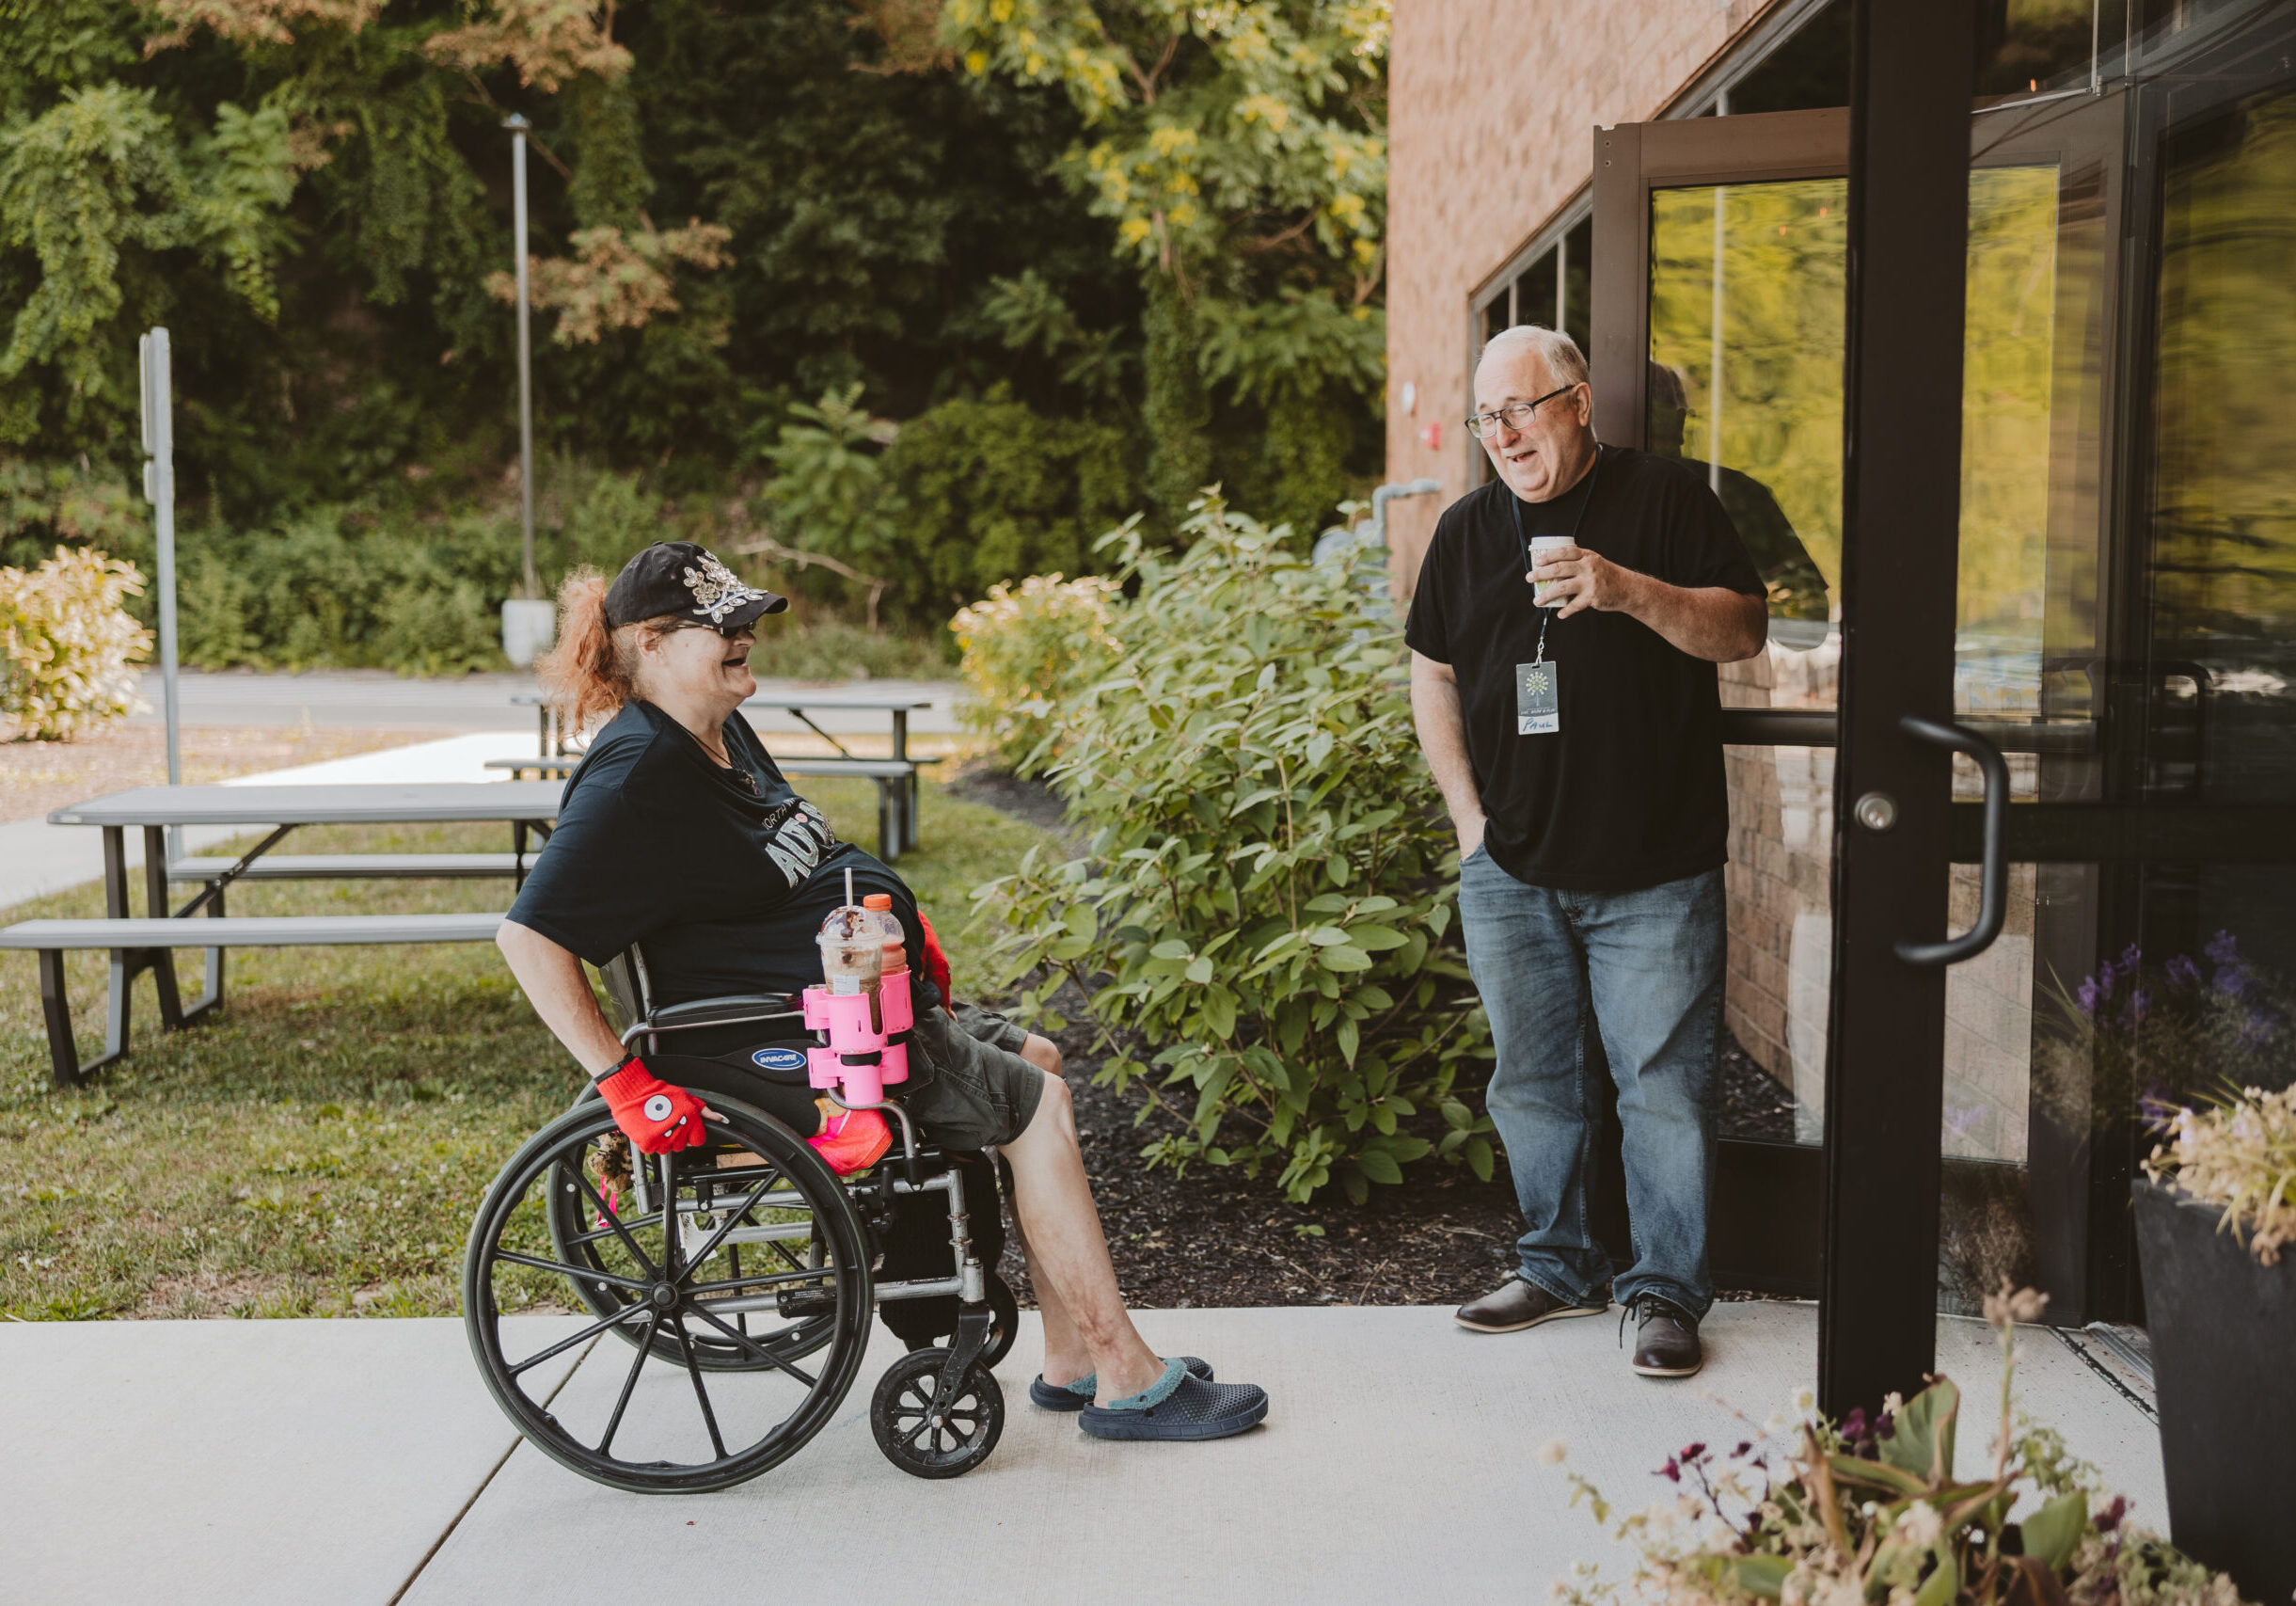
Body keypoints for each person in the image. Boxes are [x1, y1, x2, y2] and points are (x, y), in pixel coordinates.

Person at [495, 540, 1268, 1442]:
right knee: (1040, 1104)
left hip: (860, 1007)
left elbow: (797, 862)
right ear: (653, 645)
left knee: (1042, 1058)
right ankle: (1127, 1378)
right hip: (790, 1042)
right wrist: (623, 1083)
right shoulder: (635, 774)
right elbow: (528, 936)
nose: (747, 637)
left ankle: (1073, 1360)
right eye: (724, 626)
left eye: (748, 621)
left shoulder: (714, 729)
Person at [1404, 326, 1768, 1378]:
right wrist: (1468, 824)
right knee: (1528, 1083)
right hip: (1510, 869)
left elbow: (1742, 629)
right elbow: (1429, 671)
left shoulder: (1665, 502)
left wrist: (1625, 591)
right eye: (1486, 417)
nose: (1503, 433)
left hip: (1653, 870)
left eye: (1520, 408)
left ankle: (1662, 1290)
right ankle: (1555, 1263)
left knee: (1659, 1085)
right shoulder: (1468, 531)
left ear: (1576, 405)